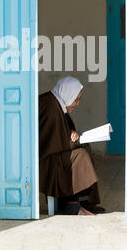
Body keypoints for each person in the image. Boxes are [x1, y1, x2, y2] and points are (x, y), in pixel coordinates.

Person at [39, 76, 105, 215]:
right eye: (76, 99)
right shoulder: (50, 107)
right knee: (79, 155)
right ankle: (73, 206)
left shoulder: (55, 102)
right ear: (67, 94)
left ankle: (86, 203)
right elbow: (47, 141)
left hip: (54, 154)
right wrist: (70, 140)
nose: (77, 103)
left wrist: (69, 133)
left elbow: (56, 131)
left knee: (85, 148)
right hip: (47, 162)